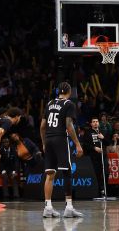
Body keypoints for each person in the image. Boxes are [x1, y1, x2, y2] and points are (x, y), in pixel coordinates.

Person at [40, 82, 84, 218]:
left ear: (58, 91)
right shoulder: (69, 104)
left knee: (50, 174)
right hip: (60, 139)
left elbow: (42, 126)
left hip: (48, 139)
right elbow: (69, 125)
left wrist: (43, 143)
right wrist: (77, 143)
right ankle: (69, 208)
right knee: (66, 172)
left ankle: (47, 207)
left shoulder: (49, 103)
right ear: (69, 92)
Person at [86, 117, 109, 197]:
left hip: (103, 155)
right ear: (91, 124)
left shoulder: (102, 131)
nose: (95, 123)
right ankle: (100, 190)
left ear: (98, 123)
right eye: (94, 121)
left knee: (106, 172)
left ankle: (106, 189)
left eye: (96, 121)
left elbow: (108, 143)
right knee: (98, 173)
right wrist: (94, 148)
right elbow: (86, 144)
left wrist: (103, 138)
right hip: (94, 156)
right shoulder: (88, 132)